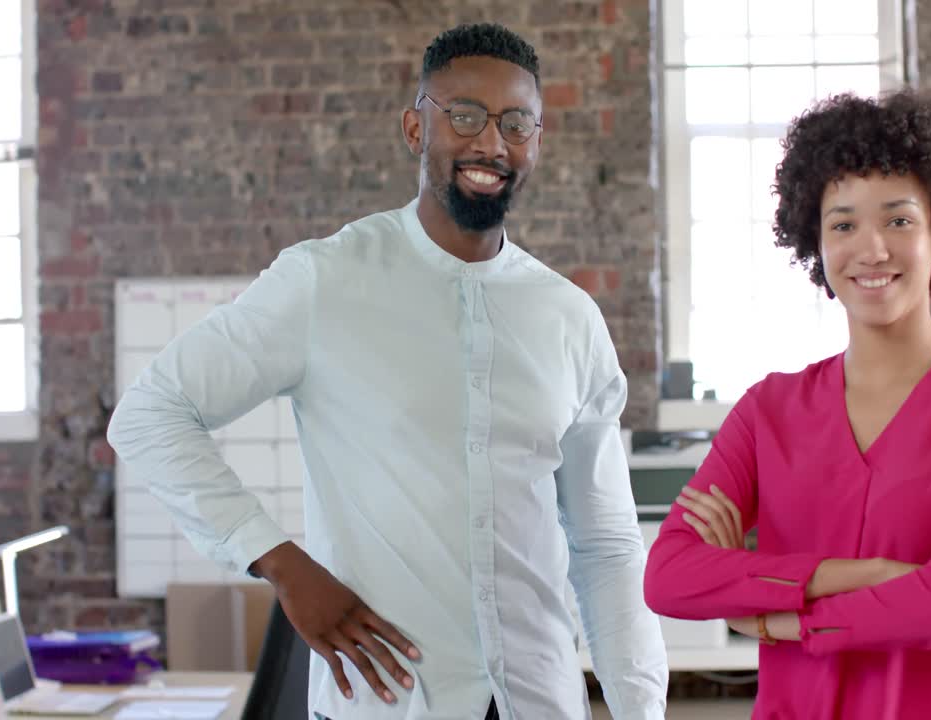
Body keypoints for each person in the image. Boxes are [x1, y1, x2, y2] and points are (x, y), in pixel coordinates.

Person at [107, 23, 667, 720]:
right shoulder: (325, 282)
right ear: (414, 128)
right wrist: (281, 562)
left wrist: (641, 711)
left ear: (536, 142)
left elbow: (606, 545)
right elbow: (149, 414)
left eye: (516, 122)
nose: (491, 143)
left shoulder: (569, 318)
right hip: (390, 703)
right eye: (464, 115)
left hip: (538, 702)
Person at [643, 90, 931, 718]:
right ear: (816, 241)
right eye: (843, 224)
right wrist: (868, 573)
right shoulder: (768, 410)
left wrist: (779, 615)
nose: (871, 250)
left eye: (898, 220)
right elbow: (669, 577)